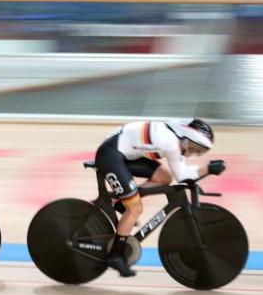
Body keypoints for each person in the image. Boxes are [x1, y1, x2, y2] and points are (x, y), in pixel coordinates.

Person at [94, 118, 226, 277]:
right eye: (194, 148)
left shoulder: (176, 133)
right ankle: (115, 256)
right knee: (135, 209)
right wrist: (209, 169)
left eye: (199, 151)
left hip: (123, 150)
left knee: (164, 177)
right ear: (186, 139)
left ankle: (122, 202)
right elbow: (183, 176)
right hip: (111, 155)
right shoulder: (171, 144)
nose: (193, 153)